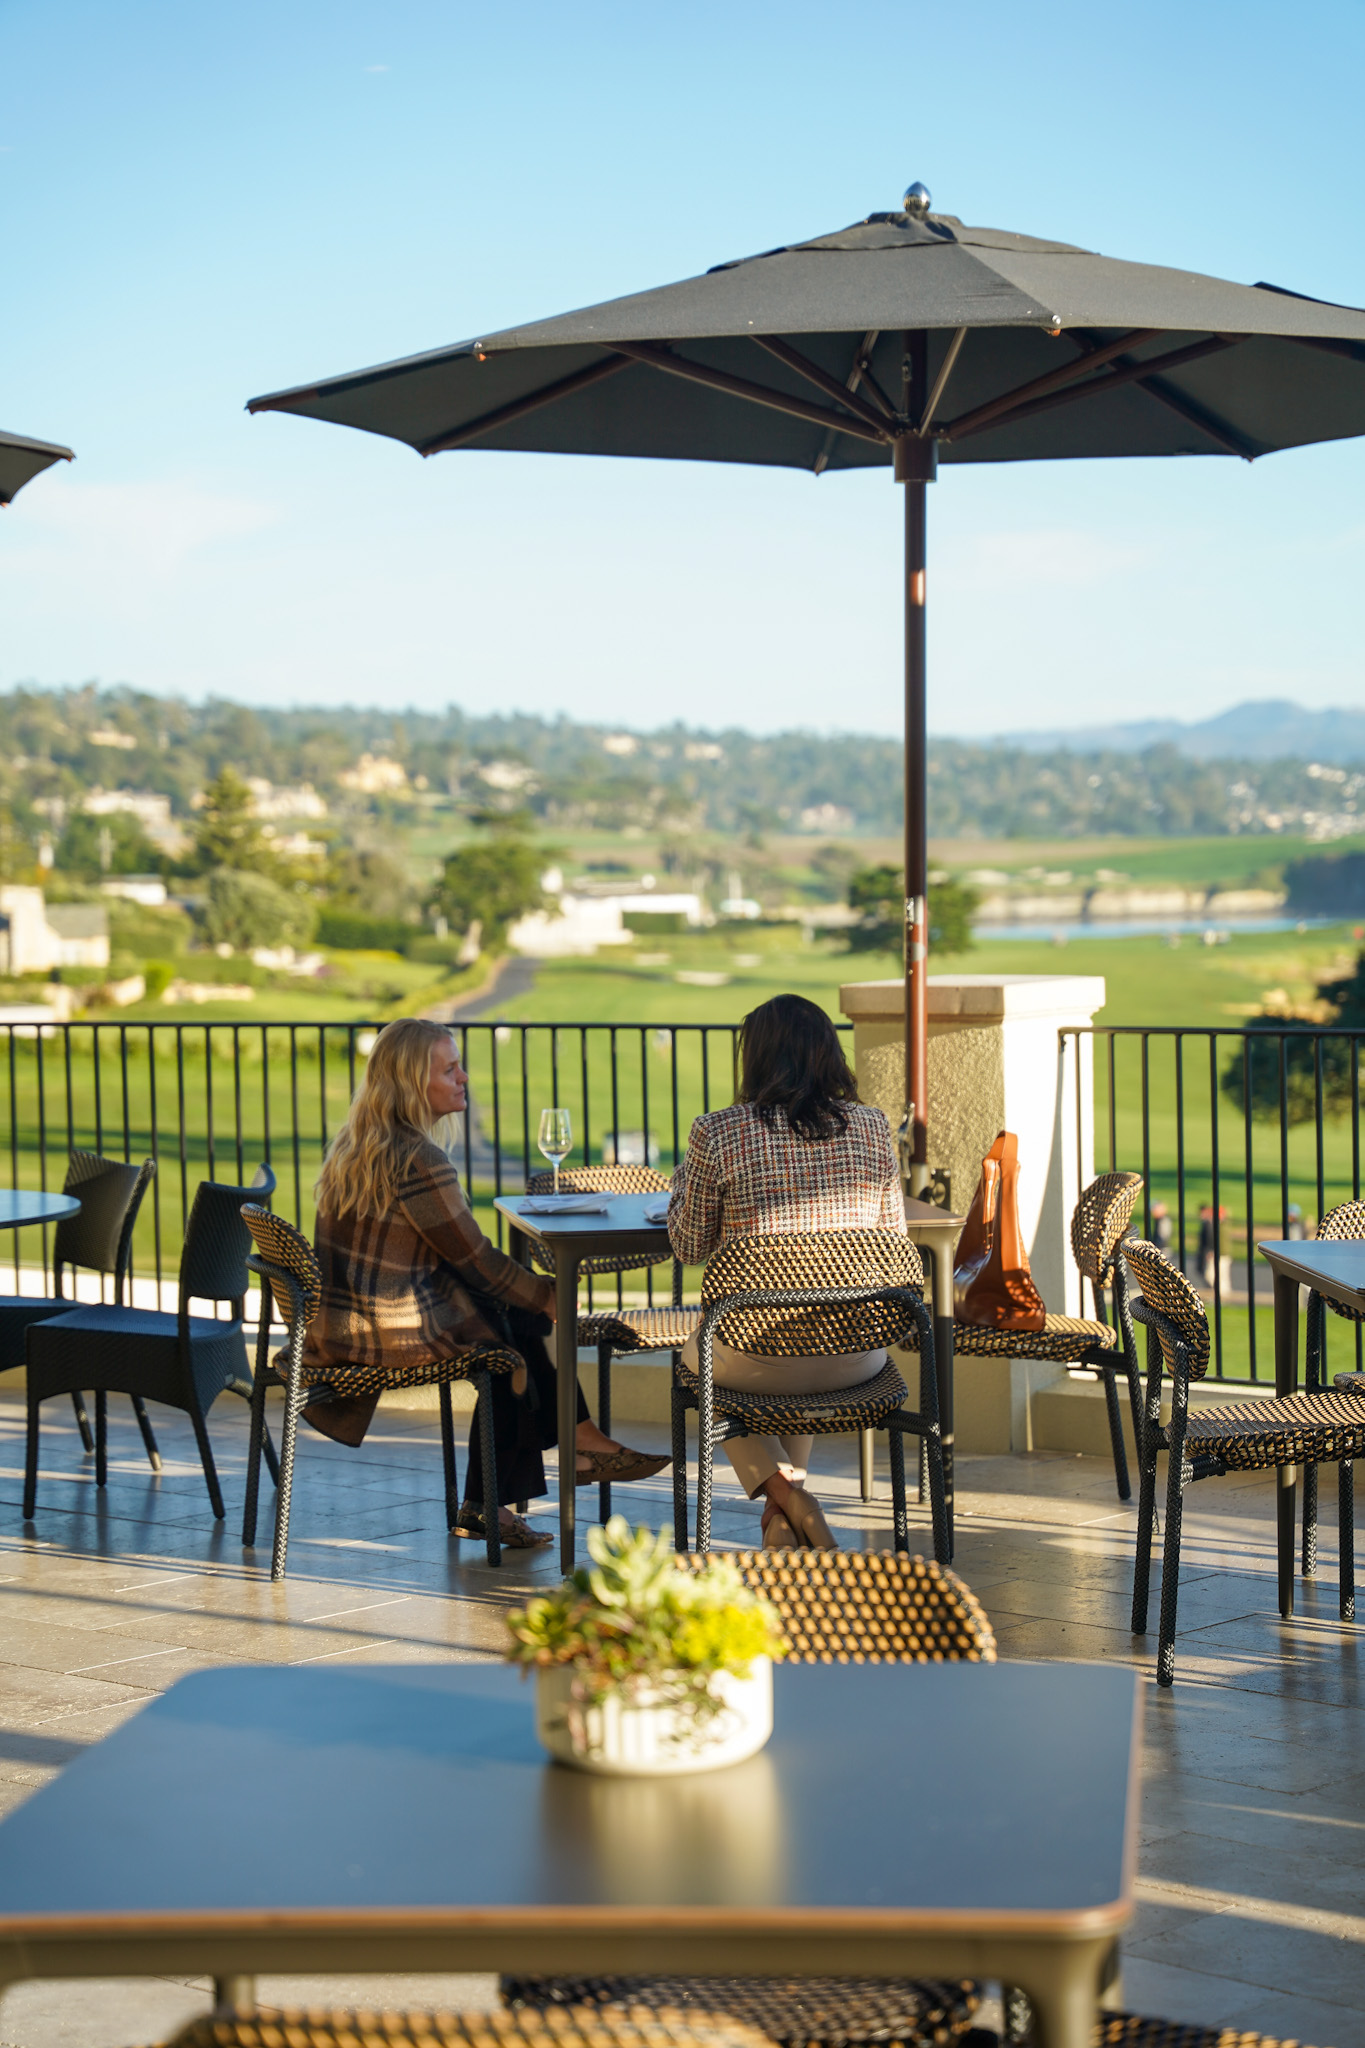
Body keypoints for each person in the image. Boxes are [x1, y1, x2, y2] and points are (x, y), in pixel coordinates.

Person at [306, 1016, 668, 1549]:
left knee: (511, 1322)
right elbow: (476, 1260)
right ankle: (565, 1452)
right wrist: (551, 1296)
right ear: (412, 1083)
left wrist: (536, 1299)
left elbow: (463, 1261)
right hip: (381, 1330)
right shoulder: (418, 1160)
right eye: (449, 1069)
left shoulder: (359, 1144)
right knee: (505, 1342)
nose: (464, 1078)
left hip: (347, 1322)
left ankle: (557, 1457)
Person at [668, 992, 906, 1552]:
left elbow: (687, 1244)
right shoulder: (874, 1129)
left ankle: (791, 1499)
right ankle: (784, 1520)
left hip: (758, 1363)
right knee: (802, 1323)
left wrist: (684, 1184)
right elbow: (893, 1245)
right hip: (856, 1356)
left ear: (755, 1058)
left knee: (700, 1354)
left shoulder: (718, 1132)